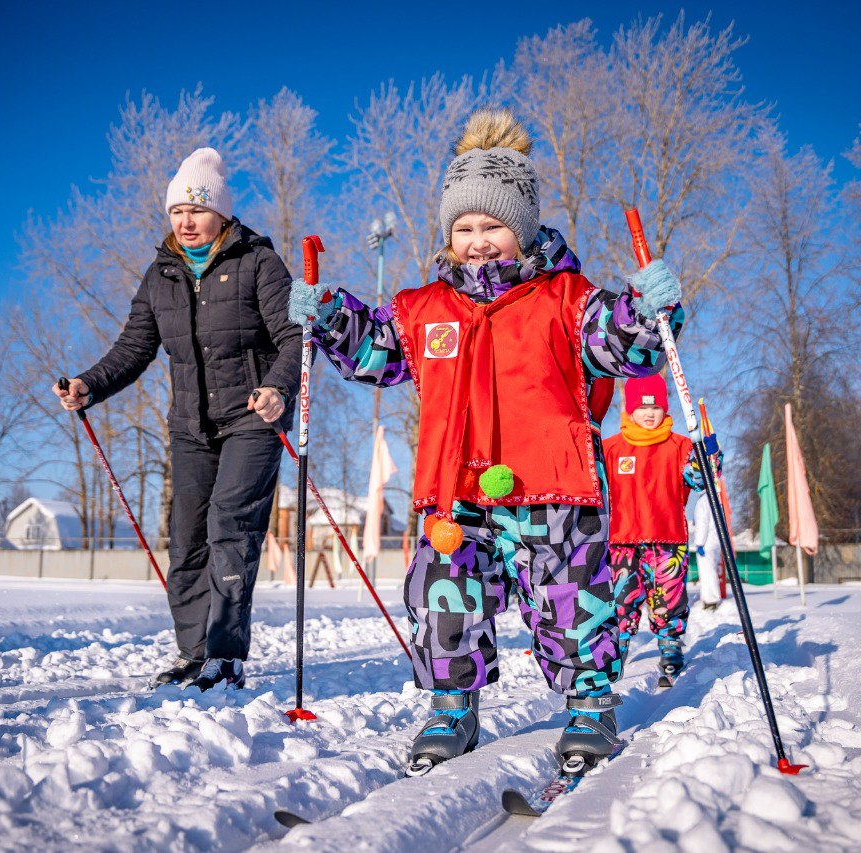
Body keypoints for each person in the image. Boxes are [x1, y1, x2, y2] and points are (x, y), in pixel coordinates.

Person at [289, 109, 686, 775]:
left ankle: (590, 704)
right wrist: (331, 315)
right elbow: (374, 355)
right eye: (464, 227)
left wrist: (649, 312)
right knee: (444, 594)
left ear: (523, 228)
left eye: (492, 225)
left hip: (554, 487)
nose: (477, 240)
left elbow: (624, 346)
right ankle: (452, 703)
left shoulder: (567, 299)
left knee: (572, 599)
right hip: (455, 492)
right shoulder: (422, 310)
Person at [54, 147, 300, 691]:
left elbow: (292, 337)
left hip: (252, 419)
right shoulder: (159, 276)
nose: (186, 222)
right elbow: (134, 347)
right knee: (187, 539)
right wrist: (88, 385)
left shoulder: (258, 262)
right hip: (191, 426)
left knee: (230, 526)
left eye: (197, 210)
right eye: (176, 212)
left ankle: (225, 654)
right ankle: (195, 654)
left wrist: (278, 388)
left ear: (222, 215)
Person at [602, 375, 711, 686]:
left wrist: (709, 459)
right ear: (629, 409)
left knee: (668, 598)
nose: (649, 414)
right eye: (642, 407)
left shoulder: (681, 446)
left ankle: (670, 649)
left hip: (667, 538)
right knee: (620, 599)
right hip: (622, 540)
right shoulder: (610, 448)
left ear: (665, 409)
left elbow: (701, 481)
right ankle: (618, 647)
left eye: (656, 407)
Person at [692, 490, 724, 611]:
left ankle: (710, 600)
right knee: (711, 570)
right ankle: (712, 598)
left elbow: (702, 523)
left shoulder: (703, 501)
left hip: (706, 542)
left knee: (707, 571)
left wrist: (699, 543)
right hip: (714, 540)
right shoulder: (714, 499)